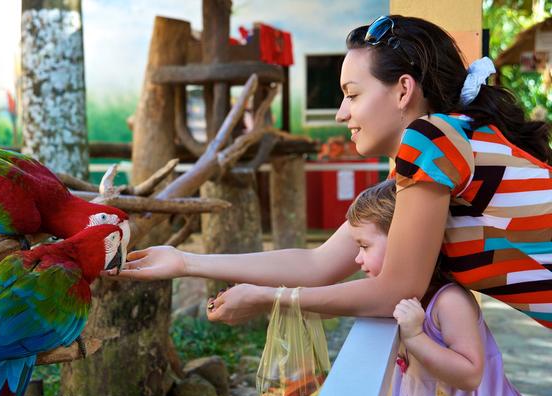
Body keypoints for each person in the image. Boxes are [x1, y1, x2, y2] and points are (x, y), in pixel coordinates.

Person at [113, 15, 552, 329]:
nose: (342, 113)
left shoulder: (431, 138)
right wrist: (185, 261)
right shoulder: (446, 148)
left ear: (403, 91)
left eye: (352, 94)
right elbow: (319, 261)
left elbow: (395, 291)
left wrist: (272, 300)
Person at [347, 180, 541, 396]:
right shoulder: (405, 299)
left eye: (364, 246)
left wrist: (415, 337)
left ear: (404, 242)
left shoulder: (449, 301)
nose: (357, 258)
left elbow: (470, 375)